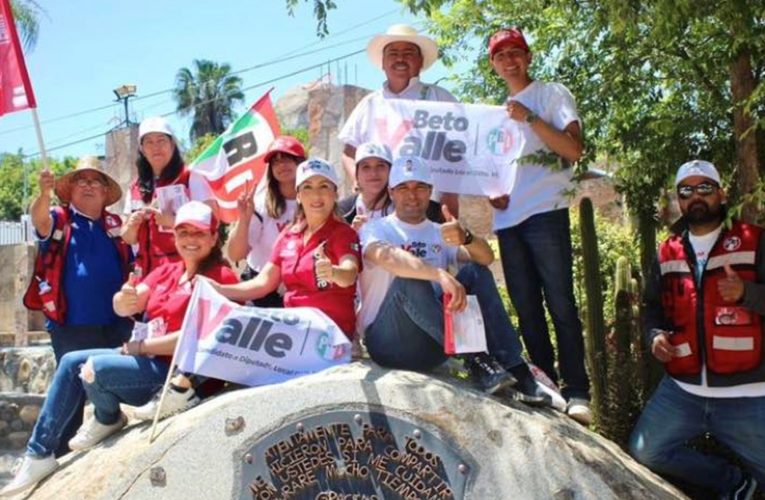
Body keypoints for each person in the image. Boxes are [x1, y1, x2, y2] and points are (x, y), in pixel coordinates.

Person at [1, 201, 238, 497]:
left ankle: (106, 416)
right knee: (72, 361)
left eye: (199, 233)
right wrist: (123, 298)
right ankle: (40, 453)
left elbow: (203, 336)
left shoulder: (222, 277)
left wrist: (139, 346)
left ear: (214, 237)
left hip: (180, 375)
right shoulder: (167, 271)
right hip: (149, 361)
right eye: (183, 231)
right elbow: (128, 300)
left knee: (94, 369)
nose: (190, 239)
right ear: (174, 235)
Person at [358, 155, 549, 405]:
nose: (412, 195)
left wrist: (466, 237)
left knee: (476, 272)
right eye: (403, 188)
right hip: (388, 341)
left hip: (434, 346)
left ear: (430, 192)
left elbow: (486, 258)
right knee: (411, 281)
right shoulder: (374, 229)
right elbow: (389, 259)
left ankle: (516, 368)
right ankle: (476, 358)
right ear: (392, 193)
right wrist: (438, 273)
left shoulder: (441, 232)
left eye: (420, 188)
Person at [628, 160, 764, 499]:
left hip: (747, 394)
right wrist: (654, 336)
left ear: (721, 193)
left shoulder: (754, 240)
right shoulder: (667, 250)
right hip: (682, 392)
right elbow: (651, 308)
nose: (695, 197)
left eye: (704, 187)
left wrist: (748, 293)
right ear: (678, 199)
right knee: (645, 452)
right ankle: (732, 484)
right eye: (686, 191)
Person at [487, 27, 590, 423]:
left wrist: (529, 117)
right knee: (527, 307)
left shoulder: (550, 94)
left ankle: (578, 390)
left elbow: (573, 149)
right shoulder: (495, 114)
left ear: (528, 57)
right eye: (501, 55)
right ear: (493, 65)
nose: (510, 60)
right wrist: (489, 193)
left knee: (560, 301)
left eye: (516, 52)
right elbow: (491, 169)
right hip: (507, 219)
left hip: (546, 210)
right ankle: (545, 385)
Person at [22, 157, 134, 458]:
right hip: (72, 327)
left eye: (94, 180)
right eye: (80, 180)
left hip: (119, 325)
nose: (87, 185)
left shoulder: (116, 226)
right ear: (69, 190)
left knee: (123, 388)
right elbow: (39, 219)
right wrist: (43, 194)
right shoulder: (59, 219)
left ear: (104, 191)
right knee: (71, 401)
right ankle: (55, 463)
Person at [215, 158, 361, 340]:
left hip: (328, 334)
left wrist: (333, 272)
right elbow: (263, 283)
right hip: (293, 330)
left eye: (324, 186)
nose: (316, 195)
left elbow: (350, 273)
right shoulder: (288, 234)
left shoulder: (343, 233)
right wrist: (219, 289)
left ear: (335, 194)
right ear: (298, 195)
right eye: (307, 187)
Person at [338, 24, 460, 217]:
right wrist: (358, 181)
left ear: (420, 61)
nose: (400, 58)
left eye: (409, 52)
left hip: (428, 204)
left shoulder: (440, 99)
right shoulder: (369, 104)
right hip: (378, 207)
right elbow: (348, 153)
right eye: (393, 53)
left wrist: (450, 196)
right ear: (383, 63)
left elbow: (458, 154)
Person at [121, 116, 214, 276]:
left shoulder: (191, 178)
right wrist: (132, 226)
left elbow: (213, 222)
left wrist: (173, 222)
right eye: (148, 142)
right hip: (145, 273)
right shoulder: (135, 187)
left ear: (172, 144)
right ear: (142, 149)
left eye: (161, 140)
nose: (155, 147)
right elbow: (128, 238)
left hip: (183, 271)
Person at [227, 135, 306, 307]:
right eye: (275, 162)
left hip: (301, 288)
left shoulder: (314, 201)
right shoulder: (260, 204)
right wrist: (244, 219)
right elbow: (235, 255)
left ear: (301, 162)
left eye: (287, 158)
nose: (282, 165)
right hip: (261, 288)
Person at [338, 141, 443, 230]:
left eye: (380, 166)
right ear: (357, 173)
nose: (374, 173)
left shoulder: (427, 209)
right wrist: (350, 238)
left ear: (391, 171)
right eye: (366, 167)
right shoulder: (340, 212)